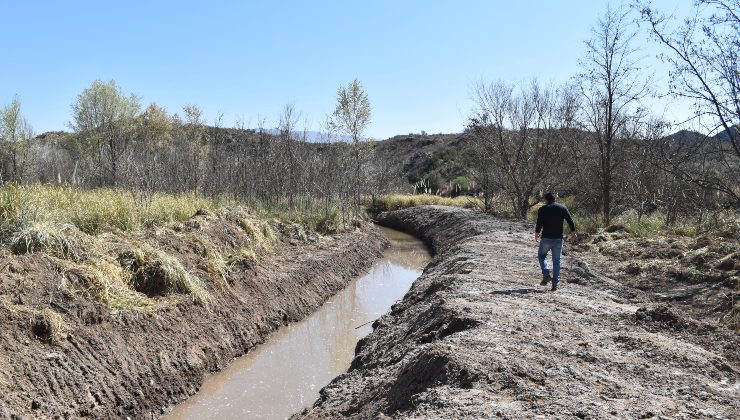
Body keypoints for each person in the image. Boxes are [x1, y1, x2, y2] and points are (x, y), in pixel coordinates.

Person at [535, 192, 577, 291]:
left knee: (541, 256)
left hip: (546, 238)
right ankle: (555, 284)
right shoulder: (562, 208)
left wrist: (537, 233)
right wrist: (573, 233)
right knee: (556, 261)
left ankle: (546, 274)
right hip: (558, 238)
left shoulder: (542, 209)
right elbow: (570, 220)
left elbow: (539, 222)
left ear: (546, 199)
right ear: (554, 199)